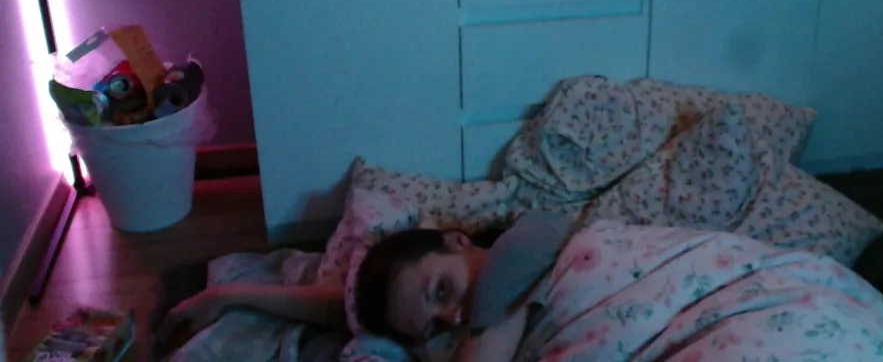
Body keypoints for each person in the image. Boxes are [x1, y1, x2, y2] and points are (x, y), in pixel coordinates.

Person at [156, 212, 576, 361]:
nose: (454, 317)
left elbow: (511, 271)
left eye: (442, 290)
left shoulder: (528, 240)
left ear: (457, 241)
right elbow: (342, 311)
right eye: (433, 327)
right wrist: (228, 296)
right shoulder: (451, 337)